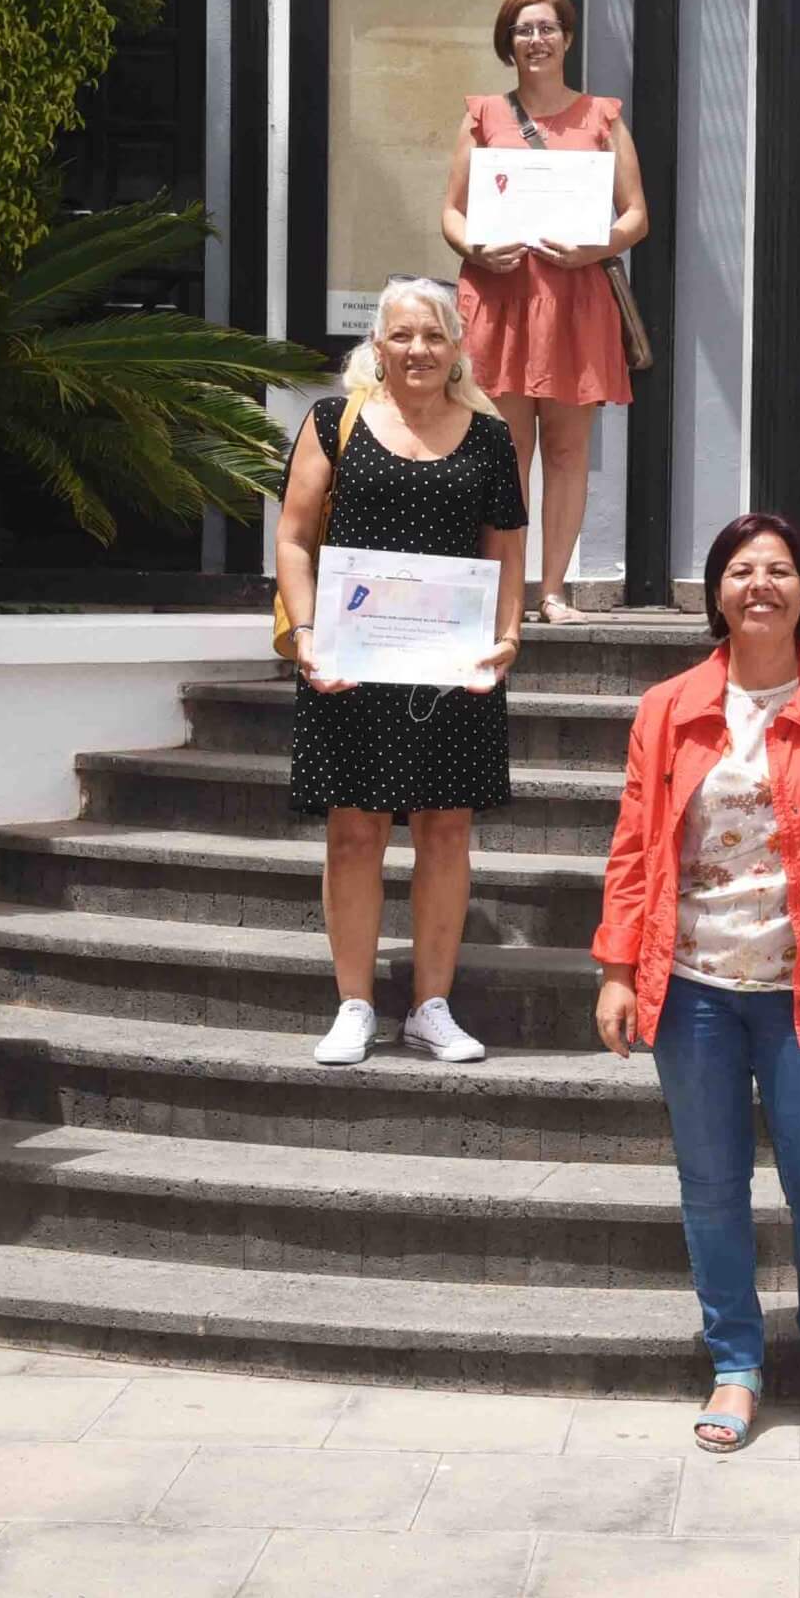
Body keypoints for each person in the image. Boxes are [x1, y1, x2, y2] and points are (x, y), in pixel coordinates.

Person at [592, 513, 800, 1452]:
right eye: (741, 570)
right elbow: (633, 848)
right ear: (716, 593)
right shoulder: (668, 708)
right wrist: (617, 967)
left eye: (779, 569)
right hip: (690, 985)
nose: (760, 584)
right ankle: (734, 1364)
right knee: (711, 1185)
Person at [275, 277, 528, 1067]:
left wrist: (508, 635)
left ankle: (430, 1007)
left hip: (453, 665)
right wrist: (307, 633)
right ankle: (354, 1005)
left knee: (445, 831)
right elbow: (292, 537)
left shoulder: (491, 437)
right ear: (377, 345)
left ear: (456, 348)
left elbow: (506, 548)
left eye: (434, 335)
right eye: (403, 334)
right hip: (348, 662)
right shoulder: (333, 422)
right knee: (354, 833)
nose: (418, 349)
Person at [441, 0, 647, 625]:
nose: (537, 40)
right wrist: (475, 249)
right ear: (508, 43)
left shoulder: (602, 118)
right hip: (501, 299)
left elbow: (636, 215)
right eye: (524, 29)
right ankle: (507, 595)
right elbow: (451, 212)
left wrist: (594, 248)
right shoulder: (483, 116)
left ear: (568, 37)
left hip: (574, 300)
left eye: (547, 28)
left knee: (566, 453)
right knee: (506, 454)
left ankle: (553, 591)